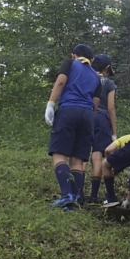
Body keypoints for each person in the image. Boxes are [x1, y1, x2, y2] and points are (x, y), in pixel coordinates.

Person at [45, 44, 102, 208]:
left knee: (58, 154)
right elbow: (96, 104)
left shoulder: (70, 64)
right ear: (91, 60)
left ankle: (66, 194)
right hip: (88, 115)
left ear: (73, 56)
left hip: (69, 110)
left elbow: (61, 81)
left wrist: (51, 103)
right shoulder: (96, 76)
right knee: (77, 160)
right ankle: (74, 201)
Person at [88, 54, 117, 204]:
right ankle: (95, 195)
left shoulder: (87, 77)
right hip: (101, 119)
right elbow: (111, 108)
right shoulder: (108, 83)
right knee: (99, 153)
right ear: (106, 68)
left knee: (86, 154)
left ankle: (82, 194)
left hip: (86, 116)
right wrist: (114, 132)